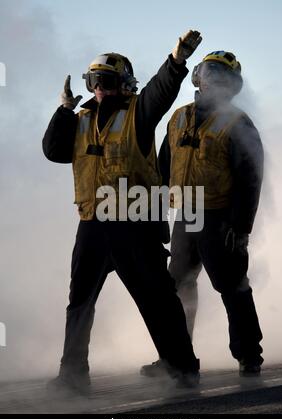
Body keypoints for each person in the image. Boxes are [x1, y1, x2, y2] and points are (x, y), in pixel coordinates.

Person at [42, 31, 203, 395]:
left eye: (107, 81)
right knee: (80, 300)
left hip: (134, 224)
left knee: (157, 300)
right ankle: (72, 374)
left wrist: (175, 63)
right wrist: (64, 110)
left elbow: (160, 93)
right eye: (93, 81)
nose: (99, 89)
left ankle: (182, 367)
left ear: (125, 84)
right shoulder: (80, 119)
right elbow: (53, 151)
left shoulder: (138, 115)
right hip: (93, 224)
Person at [141, 50, 264, 378]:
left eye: (222, 76)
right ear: (198, 77)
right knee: (177, 285)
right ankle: (176, 357)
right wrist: (156, 216)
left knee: (232, 285)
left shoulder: (239, 124)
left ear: (232, 86)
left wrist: (240, 228)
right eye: (209, 73)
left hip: (220, 218)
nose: (213, 80)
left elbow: (250, 180)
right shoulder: (178, 117)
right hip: (185, 216)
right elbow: (162, 169)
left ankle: (249, 354)